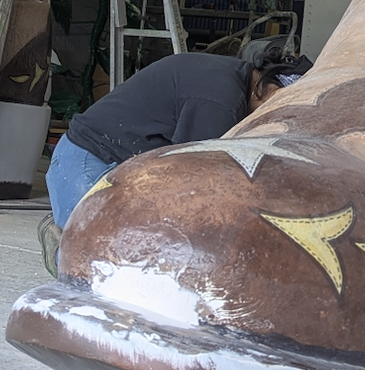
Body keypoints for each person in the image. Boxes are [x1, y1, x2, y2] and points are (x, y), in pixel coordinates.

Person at [38, 48, 313, 273]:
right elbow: (191, 181)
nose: (276, 117)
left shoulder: (231, 78)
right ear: (265, 86)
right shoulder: (220, 101)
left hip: (116, 163)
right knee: (101, 270)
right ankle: (61, 243)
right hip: (89, 160)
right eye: (279, 105)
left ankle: (69, 222)